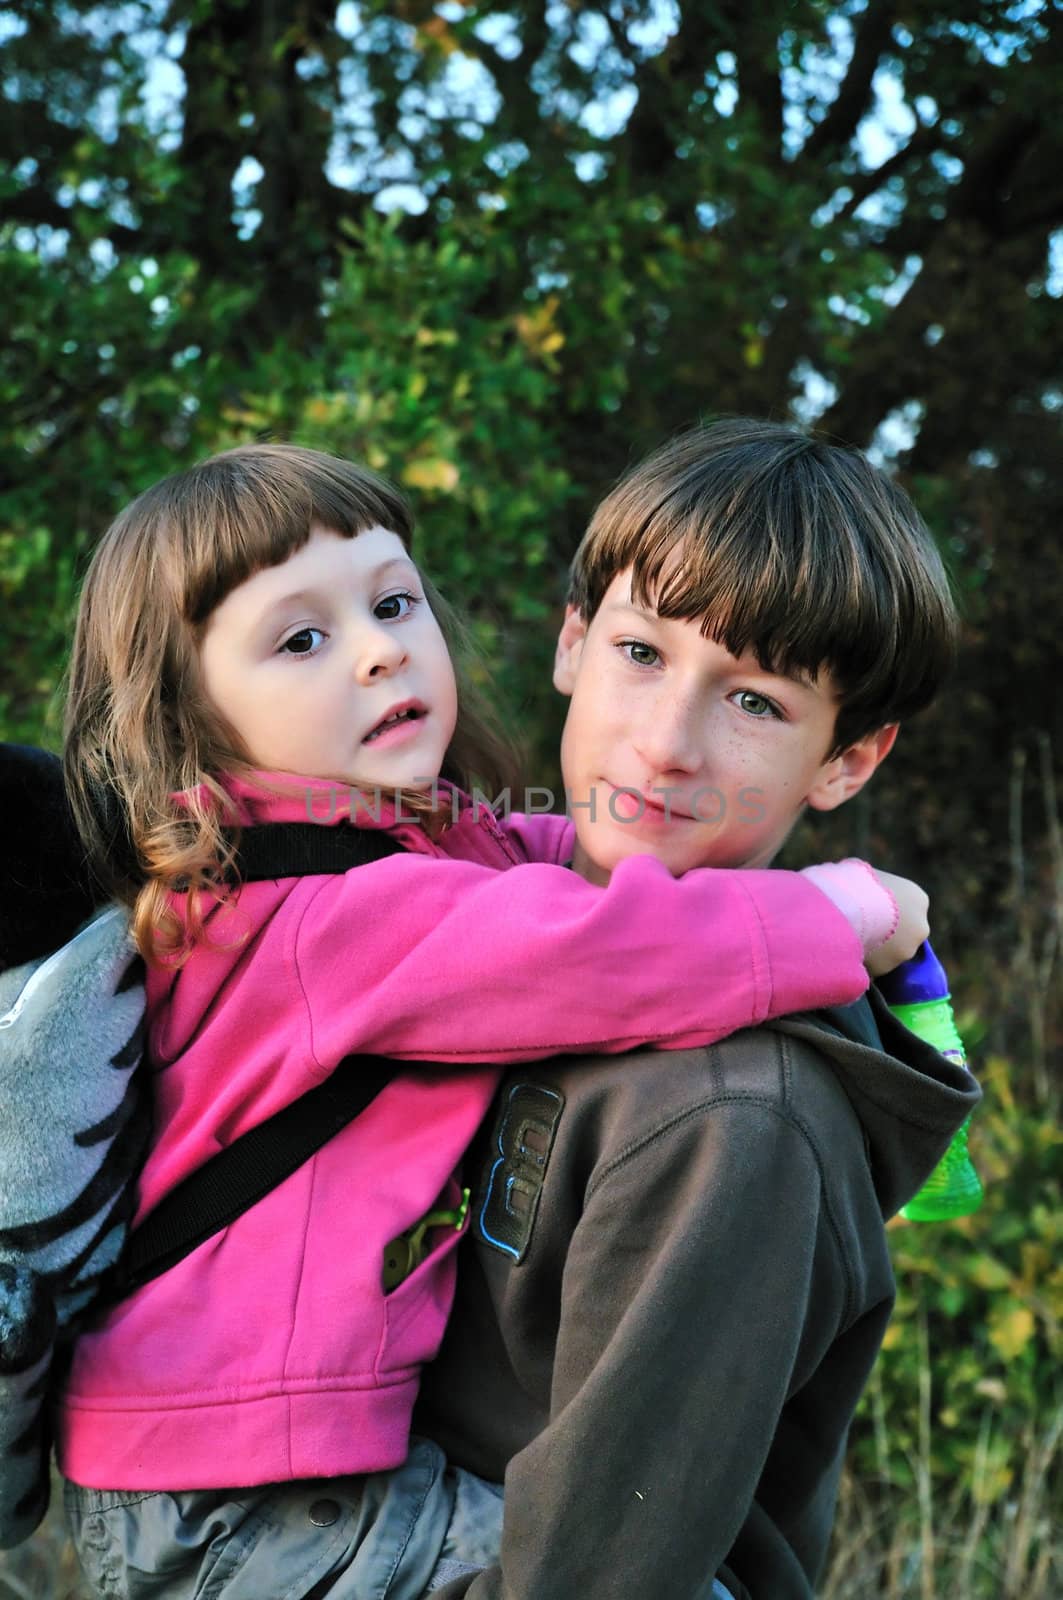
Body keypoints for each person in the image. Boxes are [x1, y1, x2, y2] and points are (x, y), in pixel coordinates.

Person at [52, 441, 919, 1598]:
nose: (375, 651)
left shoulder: (399, 856)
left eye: (393, 602)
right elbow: (584, 941)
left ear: (848, 756)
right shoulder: (324, 912)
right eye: (301, 638)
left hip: (257, 1463)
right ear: (192, 708)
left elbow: (543, 877)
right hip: (239, 1498)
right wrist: (830, 912)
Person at [411, 419, 982, 1598]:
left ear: (848, 762)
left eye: (756, 703)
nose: (664, 741)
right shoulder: (489, 925)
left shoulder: (733, 1113)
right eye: (639, 651)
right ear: (572, 640)